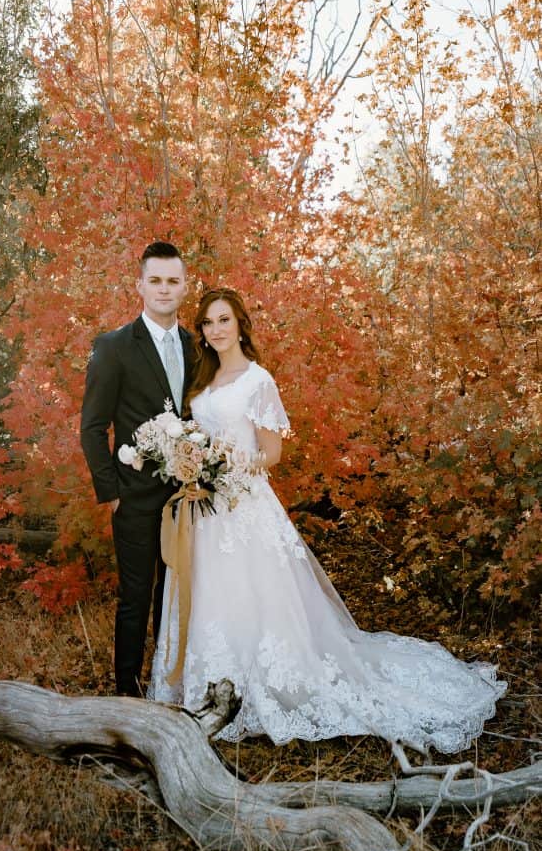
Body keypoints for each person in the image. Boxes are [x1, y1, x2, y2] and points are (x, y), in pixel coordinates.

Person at [148, 287, 507, 751]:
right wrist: (193, 464)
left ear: (240, 324)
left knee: (254, 594)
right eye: (209, 323)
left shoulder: (259, 380)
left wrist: (223, 469)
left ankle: (268, 687)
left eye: (224, 320)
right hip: (204, 508)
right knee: (210, 591)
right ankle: (209, 687)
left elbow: (271, 453)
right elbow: (195, 434)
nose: (216, 330)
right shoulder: (201, 380)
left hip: (242, 503)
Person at [81, 242, 195, 696]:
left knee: (172, 596)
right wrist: (111, 492)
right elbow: (92, 427)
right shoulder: (113, 347)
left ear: (184, 287)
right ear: (140, 286)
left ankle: (167, 683)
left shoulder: (196, 346)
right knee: (134, 596)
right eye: (156, 280)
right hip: (132, 493)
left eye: (173, 281)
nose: (164, 289)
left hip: (187, 495)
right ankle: (126, 689)